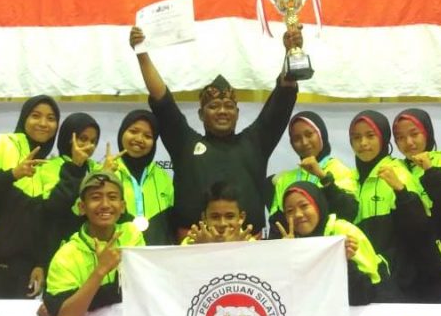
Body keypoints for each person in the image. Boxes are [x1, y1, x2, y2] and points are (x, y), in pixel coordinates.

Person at [129, 25, 302, 237]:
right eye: (213, 106)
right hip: (191, 247)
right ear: (201, 114)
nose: (222, 111)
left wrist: (292, 53)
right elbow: (162, 101)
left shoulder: (255, 142)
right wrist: (142, 54)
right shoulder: (185, 144)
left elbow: (281, 101)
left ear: (237, 113)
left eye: (229, 106)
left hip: (249, 248)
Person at [0, 112, 100, 298]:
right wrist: (42, 262)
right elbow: (50, 214)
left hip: (84, 254)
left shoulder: (98, 169)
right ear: (68, 137)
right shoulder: (48, 166)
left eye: (93, 141)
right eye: (82, 138)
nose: (88, 145)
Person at [43, 171, 145, 316]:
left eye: (112, 197)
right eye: (96, 197)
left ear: (123, 206)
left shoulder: (132, 235)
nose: (105, 204)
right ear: (82, 207)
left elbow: (140, 289)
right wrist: (100, 271)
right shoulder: (66, 255)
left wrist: (75, 302)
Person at [391, 108, 441, 302]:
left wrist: (431, 172)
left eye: (414, 134)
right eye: (400, 138)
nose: (409, 142)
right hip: (414, 273)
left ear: (427, 132)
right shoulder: (396, 168)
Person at [276, 181, 390, 305]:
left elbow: (366, 295)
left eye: (304, 206)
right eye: (289, 211)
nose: (297, 214)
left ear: (318, 205)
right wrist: (285, 259)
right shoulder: (290, 243)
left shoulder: (344, 232)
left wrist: (346, 262)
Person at [348, 110, 423, 299]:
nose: (363, 143)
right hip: (364, 279)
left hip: (396, 281)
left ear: (383, 138)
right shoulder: (351, 178)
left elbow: (416, 227)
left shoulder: (397, 173)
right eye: (356, 137)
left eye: (370, 136)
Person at [267, 111, 358, 224]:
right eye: (297, 138)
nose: (304, 142)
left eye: (309, 135)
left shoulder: (339, 170)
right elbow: (275, 223)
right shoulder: (285, 180)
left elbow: (349, 212)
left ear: (321, 134)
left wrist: (323, 177)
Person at [109, 110, 175, 245]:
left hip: (156, 253)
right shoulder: (105, 172)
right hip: (116, 251)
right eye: (133, 131)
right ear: (122, 133)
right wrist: (103, 176)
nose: (139, 139)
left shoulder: (163, 177)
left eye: (148, 136)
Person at [184, 181, 256, 244]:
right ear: (204, 218)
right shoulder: (192, 241)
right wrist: (203, 247)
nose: (222, 223)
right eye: (215, 217)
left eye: (230, 216)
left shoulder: (251, 243)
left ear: (241, 217)